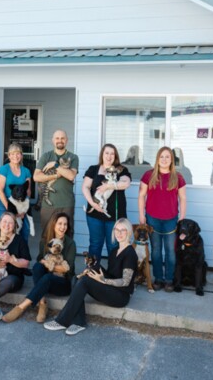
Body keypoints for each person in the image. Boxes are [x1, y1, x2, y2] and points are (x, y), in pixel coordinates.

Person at [43, 218, 138, 336]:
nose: (118, 233)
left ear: (128, 232)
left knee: (85, 281)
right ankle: (79, 322)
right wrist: (93, 266)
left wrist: (103, 280)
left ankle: (62, 321)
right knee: (77, 278)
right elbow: (112, 274)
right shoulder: (114, 251)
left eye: (122, 230)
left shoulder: (130, 254)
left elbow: (125, 281)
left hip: (121, 296)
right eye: (116, 230)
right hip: (112, 289)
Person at [1, 212, 76, 324]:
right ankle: (42, 303)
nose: (63, 227)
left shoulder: (70, 243)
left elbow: (67, 269)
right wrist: (45, 262)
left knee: (47, 276)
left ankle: (21, 307)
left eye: (65, 224)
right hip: (47, 280)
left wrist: (50, 265)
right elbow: (40, 259)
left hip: (63, 284)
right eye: (60, 223)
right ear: (53, 225)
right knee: (37, 267)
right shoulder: (45, 241)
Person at [138, 146, 187, 292]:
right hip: (152, 218)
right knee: (156, 251)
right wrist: (141, 215)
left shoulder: (178, 177)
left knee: (171, 251)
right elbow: (141, 195)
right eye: (162, 156)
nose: (164, 159)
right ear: (157, 159)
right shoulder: (149, 175)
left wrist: (182, 217)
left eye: (168, 157)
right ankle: (158, 279)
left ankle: (169, 280)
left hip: (171, 219)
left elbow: (183, 198)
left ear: (172, 160)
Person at [82, 144, 131, 259]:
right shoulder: (93, 169)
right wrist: (93, 203)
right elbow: (85, 187)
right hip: (94, 215)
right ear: (102, 155)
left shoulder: (121, 170)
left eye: (112, 153)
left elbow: (125, 183)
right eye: (106, 153)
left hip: (115, 216)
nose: (109, 156)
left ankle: (114, 275)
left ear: (115, 156)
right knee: (95, 245)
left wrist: (108, 186)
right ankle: (93, 274)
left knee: (113, 246)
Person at [33, 129, 79, 236]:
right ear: (53, 140)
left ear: (66, 140)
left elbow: (71, 175)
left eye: (62, 138)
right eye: (57, 138)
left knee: (67, 235)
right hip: (48, 205)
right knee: (46, 234)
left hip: (66, 203)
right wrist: (55, 175)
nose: (60, 140)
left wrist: (56, 165)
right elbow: (36, 177)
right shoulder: (46, 156)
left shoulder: (73, 157)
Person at [0, 142, 32, 244]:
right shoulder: (4, 169)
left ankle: (22, 256)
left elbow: (28, 191)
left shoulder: (26, 171)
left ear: (21, 155)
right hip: (4, 203)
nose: (15, 156)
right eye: (12, 153)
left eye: (18, 153)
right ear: (9, 156)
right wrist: (10, 208)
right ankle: (0, 255)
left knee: (25, 230)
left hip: (21, 204)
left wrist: (23, 209)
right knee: (3, 231)